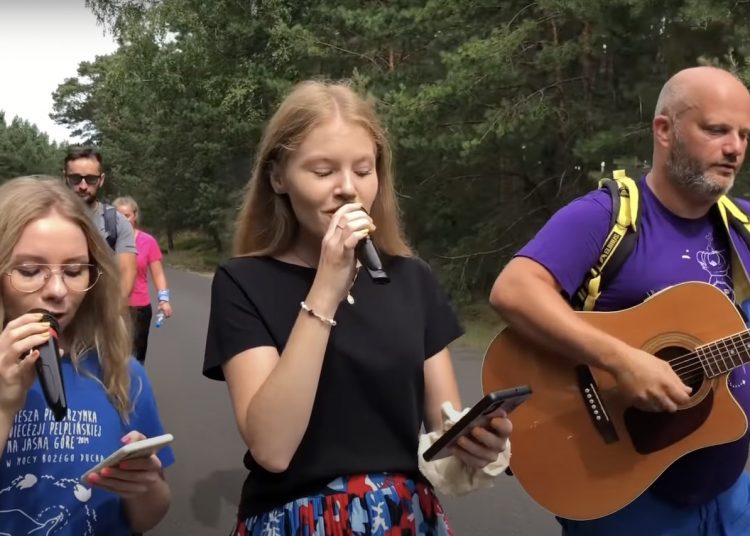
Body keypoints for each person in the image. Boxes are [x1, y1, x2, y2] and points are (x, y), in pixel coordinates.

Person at [202, 80, 512, 535]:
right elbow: (272, 448)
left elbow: (442, 435)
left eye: (363, 170)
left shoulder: (412, 279)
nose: (348, 189)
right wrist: (325, 289)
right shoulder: (243, 282)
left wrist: (477, 446)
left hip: (403, 517)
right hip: (298, 519)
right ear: (278, 177)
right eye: (323, 171)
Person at [490, 66, 750, 535]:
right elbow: (514, 290)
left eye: (744, 135)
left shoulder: (744, 229)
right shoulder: (604, 217)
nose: (734, 148)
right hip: (623, 498)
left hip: (729, 499)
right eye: (716, 130)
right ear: (665, 130)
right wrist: (623, 361)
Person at [0, 176, 174, 534]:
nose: (58, 290)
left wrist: (144, 484)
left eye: (75, 270)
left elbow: (147, 517)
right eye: (30, 271)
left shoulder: (122, 372)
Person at [63, 147, 137, 309]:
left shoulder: (117, 222)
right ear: (65, 178)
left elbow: (127, 275)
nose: (83, 186)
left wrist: (111, 316)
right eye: (75, 179)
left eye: (91, 179)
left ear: (101, 180)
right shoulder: (48, 220)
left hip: (102, 312)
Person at [113, 196, 174, 364]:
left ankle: (135, 380)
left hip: (139, 308)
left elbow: (158, 274)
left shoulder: (148, 241)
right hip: (112, 307)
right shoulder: (106, 240)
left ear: (135, 216)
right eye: (118, 216)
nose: (122, 220)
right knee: (111, 355)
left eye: (126, 215)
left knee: (135, 357)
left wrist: (164, 300)